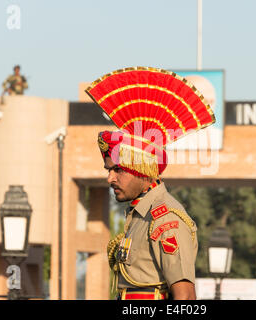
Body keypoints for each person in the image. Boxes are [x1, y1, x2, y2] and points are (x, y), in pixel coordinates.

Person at [85, 67, 216, 300]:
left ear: (141, 169)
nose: (110, 178)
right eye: (109, 170)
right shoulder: (139, 216)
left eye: (117, 170)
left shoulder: (166, 219)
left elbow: (184, 298)